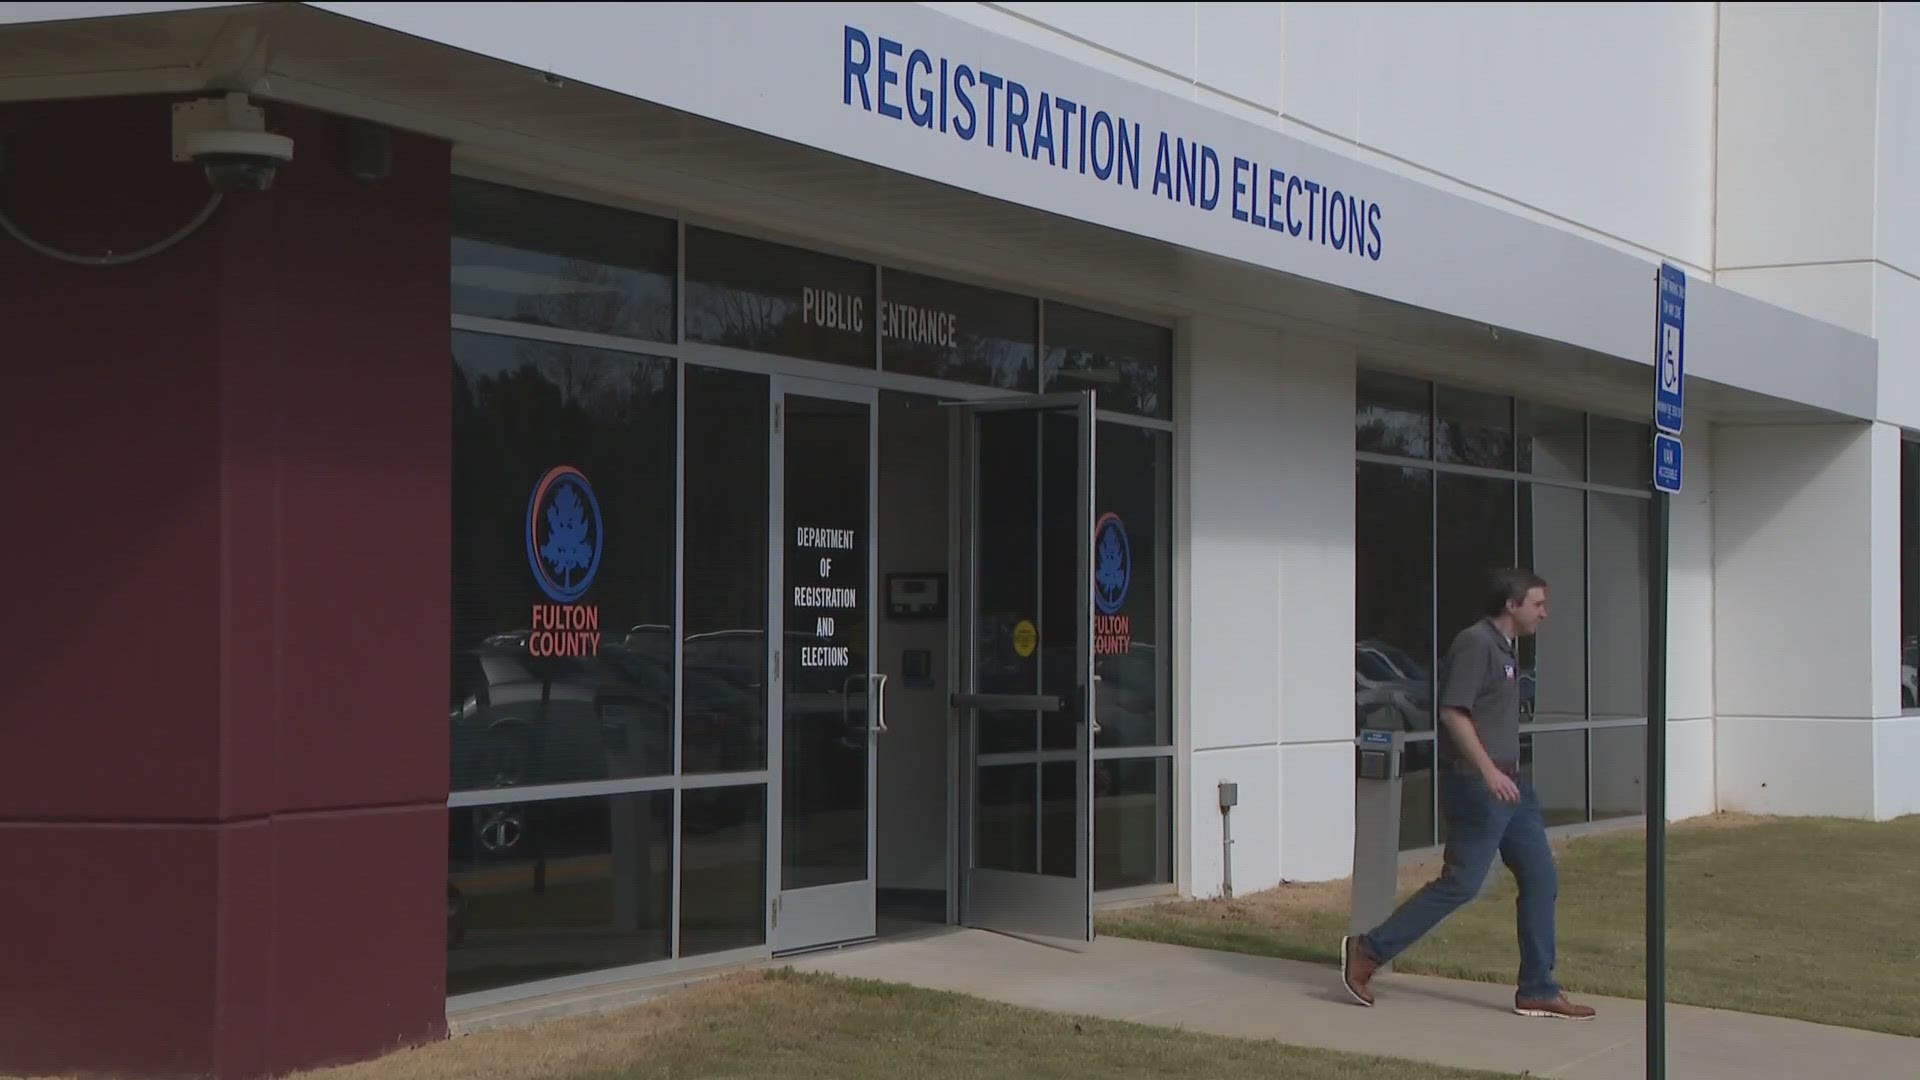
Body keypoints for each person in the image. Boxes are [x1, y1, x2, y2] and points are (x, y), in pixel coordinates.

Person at [1341, 568, 1596, 1020]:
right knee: (1461, 883)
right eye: (1538, 604)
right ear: (1512, 605)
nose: (1545, 613)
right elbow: (1454, 713)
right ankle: (1367, 951)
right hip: (1480, 784)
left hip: (1512, 786)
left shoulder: (1506, 649)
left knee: (1541, 880)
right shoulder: (1475, 644)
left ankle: (1538, 987)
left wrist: (1505, 776)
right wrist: (1488, 772)